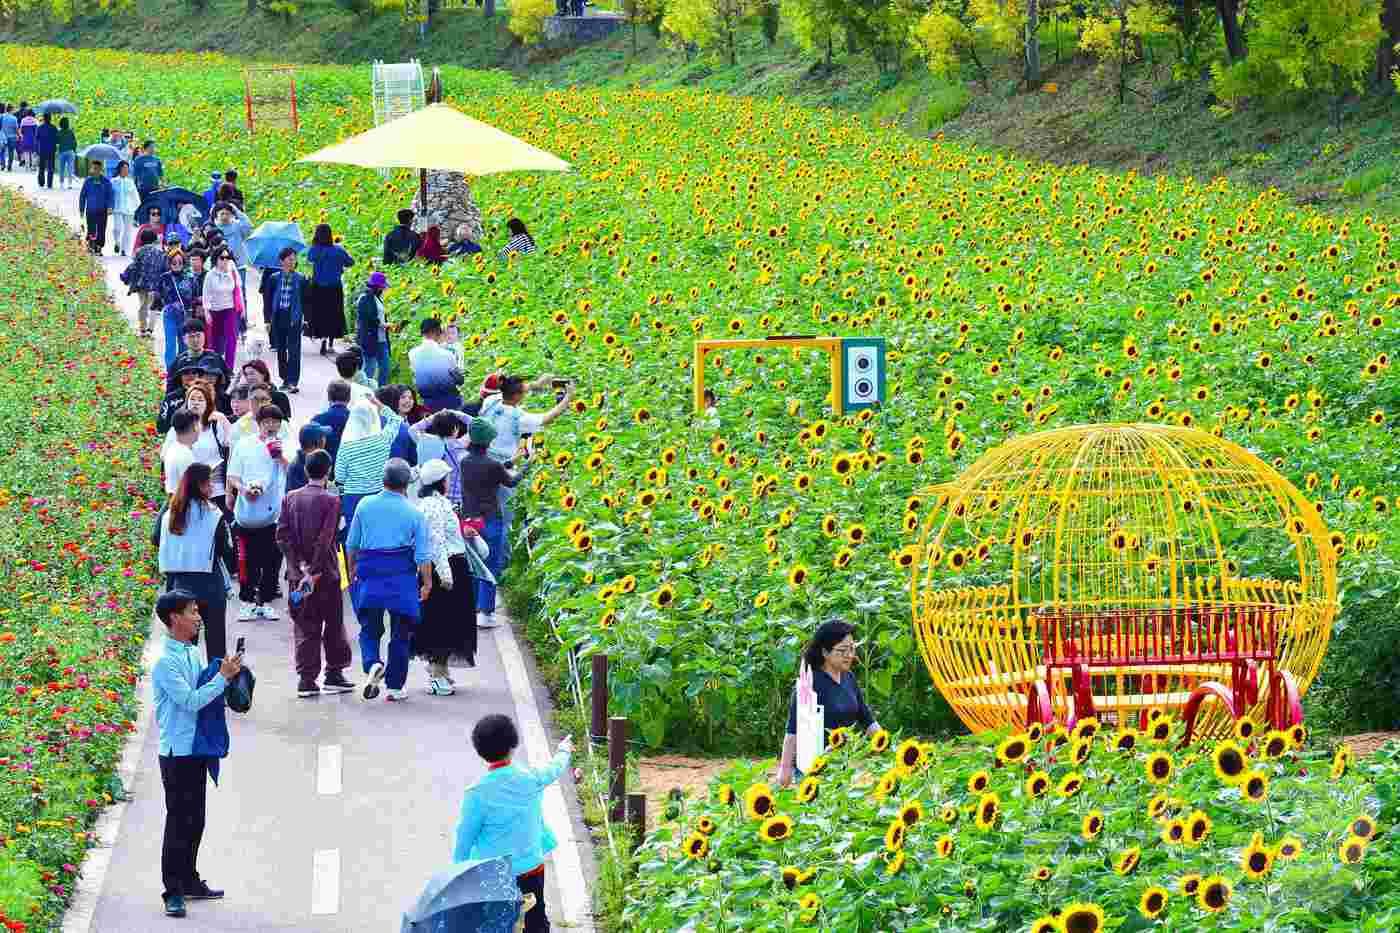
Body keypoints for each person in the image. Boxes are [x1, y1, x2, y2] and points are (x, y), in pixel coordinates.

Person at [151, 589, 241, 919]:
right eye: (192, 611)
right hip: (176, 753)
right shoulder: (165, 662)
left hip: (195, 749)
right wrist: (222, 678)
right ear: (174, 618)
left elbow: (205, 690)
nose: (198, 616)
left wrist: (225, 676)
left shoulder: (191, 652)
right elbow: (190, 701)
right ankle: (172, 890)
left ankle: (189, 879)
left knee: (196, 820)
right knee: (178, 822)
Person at [453, 714, 574, 933]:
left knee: (497, 922)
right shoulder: (531, 778)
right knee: (535, 917)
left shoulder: (477, 793)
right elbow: (555, 768)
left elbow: (464, 837)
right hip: (530, 867)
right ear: (513, 744)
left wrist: (458, 873)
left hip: (494, 873)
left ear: (479, 751)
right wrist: (564, 750)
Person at [345, 458, 433, 703]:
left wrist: (352, 570)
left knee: (369, 628)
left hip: (370, 573)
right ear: (406, 484)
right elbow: (423, 555)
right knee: (401, 633)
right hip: (402, 577)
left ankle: (372, 663)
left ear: (382, 480)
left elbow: (352, 544)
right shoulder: (414, 512)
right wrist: (427, 583)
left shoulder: (365, 505)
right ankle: (395, 687)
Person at [276, 449, 356, 699]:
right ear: (328, 471)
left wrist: (299, 565)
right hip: (327, 574)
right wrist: (314, 568)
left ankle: (307, 679)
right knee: (333, 624)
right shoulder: (331, 500)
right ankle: (334, 673)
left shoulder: (290, 497)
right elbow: (326, 539)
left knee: (305, 625)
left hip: (297, 576)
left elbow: (282, 535)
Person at [776, 620, 883, 787]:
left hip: (842, 765)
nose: (849, 655)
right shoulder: (810, 684)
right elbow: (792, 731)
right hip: (813, 767)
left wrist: (887, 745)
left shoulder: (849, 678)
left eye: (852, 649)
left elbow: (867, 719)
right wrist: (785, 770)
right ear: (825, 652)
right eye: (842, 650)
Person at [478, 375, 573, 558]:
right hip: (504, 470)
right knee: (507, 518)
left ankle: (482, 552)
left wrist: (537, 384)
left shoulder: (491, 401)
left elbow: (510, 390)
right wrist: (567, 399)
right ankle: (502, 561)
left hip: (481, 463)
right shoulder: (519, 418)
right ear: (517, 396)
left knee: (484, 513)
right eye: (523, 391)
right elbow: (548, 417)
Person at [414, 459, 486, 696]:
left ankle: (441, 671)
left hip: (448, 566)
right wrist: (446, 575)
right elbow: (436, 542)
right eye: (446, 478)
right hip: (447, 568)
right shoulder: (435, 505)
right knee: (443, 623)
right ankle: (437, 675)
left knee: (444, 621)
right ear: (438, 482)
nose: (449, 481)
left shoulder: (433, 503)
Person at [154, 464, 239, 662]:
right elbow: (226, 549)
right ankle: (216, 691)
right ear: (199, 486)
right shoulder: (212, 513)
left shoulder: (170, 511)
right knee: (216, 645)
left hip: (178, 585)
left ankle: (186, 688)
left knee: (184, 647)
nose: (211, 487)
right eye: (208, 483)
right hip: (210, 585)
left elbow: (155, 538)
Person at [458, 418, 529, 630]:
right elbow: (509, 480)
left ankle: (470, 607)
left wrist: (509, 463)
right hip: (490, 519)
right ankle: (486, 613)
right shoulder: (492, 465)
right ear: (489, 442)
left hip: (470, 520)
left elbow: (494, 470)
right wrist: (527, 466)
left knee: (473, 563)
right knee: (490, 565)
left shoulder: (465, 461)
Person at [227, 404, 290, 621]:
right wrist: (243, 490)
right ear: (259, 423)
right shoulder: (244, 445)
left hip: (275, 514)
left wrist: (280, 456)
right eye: (266, 422)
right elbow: (233, 475)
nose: (271, 426)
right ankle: (247, 601)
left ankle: (266, 600)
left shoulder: (285, 445)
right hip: (247, 513)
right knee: (247, 561)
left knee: (272, 560)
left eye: (275, 422)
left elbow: (294, 472)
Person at [335, 399, 403, 541]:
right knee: (376, 536)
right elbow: (396, 420)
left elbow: (340, 477)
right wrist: (378, 403)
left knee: (353, 539)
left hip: (353, 498)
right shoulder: (382, 440)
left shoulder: (346, 447)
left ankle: (353, 563)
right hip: (378, 494)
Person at [166, 382, 233, 517]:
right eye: (192, 399)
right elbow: (166, 453)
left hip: (216, 488)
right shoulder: (179, 426)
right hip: (188, 491)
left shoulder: (216, 424)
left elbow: (233, 444)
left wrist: (223, 419)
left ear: (208, 403)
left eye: (200, 400)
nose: (195, 403)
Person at [305, 223, 354, 356]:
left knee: (320, 314)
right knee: (334, 314)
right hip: (334, 288)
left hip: (318, 288)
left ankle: (322, 340)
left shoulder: (315, 250)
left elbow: (309, 258)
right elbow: (351, 262)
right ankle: (331, 343)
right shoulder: (338, 250)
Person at [263, 247, 307, 394]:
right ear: (282, 261)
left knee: (294, 349)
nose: (292, 261)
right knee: (281, 348)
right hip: (278, 316)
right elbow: (267, 300)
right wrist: (267, 320)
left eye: (294, 259)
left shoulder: (301, 279)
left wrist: (306, 319)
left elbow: (307, 301)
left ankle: (293, 381)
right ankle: (285, 379)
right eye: (289, 259)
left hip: (293, 316)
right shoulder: (274, 278)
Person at [409, 318, 466, 412]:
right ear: (436, 333)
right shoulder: (447, 354)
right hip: (450, 402)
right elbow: (460, 380)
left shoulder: (412, 354)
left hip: (428, 403)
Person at [168, 321, 231, 399]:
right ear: (184, 339)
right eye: (191, 336)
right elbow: (171, 388)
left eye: (198, 336)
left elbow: (225, 382)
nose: (195, 340)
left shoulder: (216, 358)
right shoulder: (178, 362)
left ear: (204, 336)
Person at [124, 229, 168, 340]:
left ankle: (142, 329)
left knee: (142, 305)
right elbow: (164, 268)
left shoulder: (139, 251)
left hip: (142, 283)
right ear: (154, 239)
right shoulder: (160, 253)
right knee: (153, 307)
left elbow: (135, 267)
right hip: (155, 283)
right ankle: (150, 329)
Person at [204, 250, 243, 371]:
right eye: (222, 258)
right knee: (215, 341)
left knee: (231, 339)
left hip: (230, 309)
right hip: (215, 310)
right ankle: (216, 367)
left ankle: (228, 368)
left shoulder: (233, 272)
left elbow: (238, 290)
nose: (225, 260)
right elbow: (206, 294)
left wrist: (242, 309)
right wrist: (207, 312)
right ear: (216, 259)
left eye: (228, 257)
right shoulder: (210, 275)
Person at [158, 249, 196, 371]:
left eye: (180, 262)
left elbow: (194, 296)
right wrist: (169, 304)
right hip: (170, 314)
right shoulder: (164, 277)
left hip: (185, 315)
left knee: (184, 343)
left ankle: (183, 369)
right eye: (174, 263)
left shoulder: (190, 277)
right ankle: (171, 371)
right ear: (169, 263)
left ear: (184, 263)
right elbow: (159, 295)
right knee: (170, 344)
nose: (177, 265)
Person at [355, 271, 391, 386]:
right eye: (382, 287)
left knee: (385, 367)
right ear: (377, 287)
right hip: (370, 339)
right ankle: (364, 393)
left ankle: (382, 392)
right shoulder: (365, 298)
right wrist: (382, 324)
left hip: (382, 339)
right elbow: (366, 316)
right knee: (369, 369)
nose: (383, 289)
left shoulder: (377, 298)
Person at [212, 201, 254, 298]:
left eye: (227, 213)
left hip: (239, 266)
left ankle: (243, 313)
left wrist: (237, 211)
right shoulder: (214, 229)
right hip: (221, 267)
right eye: (222, 213)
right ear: (217, 215)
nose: (225, 216)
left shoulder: (237, 226)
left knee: (240, 292)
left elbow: (249, 227)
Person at [375, 385, 419, 466]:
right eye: (403, 397)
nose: (407, 401)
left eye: (410, 398)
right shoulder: (386, 423)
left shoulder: (411, 424)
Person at [310, 379, 353, 462]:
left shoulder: (317, 420)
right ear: (349, 398)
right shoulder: (354, 419)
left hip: (324, 467)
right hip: (349, 466)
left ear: (329, 397)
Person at [78, 159, 114, 255]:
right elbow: (82, 196)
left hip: (102, 210)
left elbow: (110, 195)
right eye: (93, 168)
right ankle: (91, 245)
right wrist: (81, 209)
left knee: (102, 229)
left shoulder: (106, 182)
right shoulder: (88, 181)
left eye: (96, 168)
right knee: (91, 228)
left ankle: (99, 247)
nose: (94, 170)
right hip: (90, 210)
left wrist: (110, 207)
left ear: (100, 169)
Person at [286, 423, 331, 494]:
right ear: (319, 442)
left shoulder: (316, 459)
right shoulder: (298, 467)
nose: (325, 439)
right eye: (323, 436)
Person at [164, 411, 200, 495]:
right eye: (198, 425)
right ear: (194, 427)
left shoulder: (173, 449)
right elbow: (191, 489)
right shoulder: (185, 455)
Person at [35, 112, 57, 189]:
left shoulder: (40, 128)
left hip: (42, 149)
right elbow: (57, 139)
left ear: (44, 119)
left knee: (41, 167)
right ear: (50, 119)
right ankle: (49, 184)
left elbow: (37, 138)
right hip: (51, 149)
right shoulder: (54, 128)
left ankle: (41, 182)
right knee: (51, 167)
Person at [55, 116, 77, 189]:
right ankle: (70, 184)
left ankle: (61, 183)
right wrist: (74, 150)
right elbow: (74, 142)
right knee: (70, 168)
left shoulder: (59, 132)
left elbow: (57, 142)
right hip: (70, 151)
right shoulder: (71, 132)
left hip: (62, 151)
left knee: (61, 168)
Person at [0, 105, 17, 172]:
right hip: (12, 137)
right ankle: (9, 166)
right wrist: (19, 135)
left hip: (3, 137)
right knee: (11, 152)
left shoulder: (1, 117)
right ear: (11, 110)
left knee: (2, 151)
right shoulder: (14, 118)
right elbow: (16, 128)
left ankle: (3, 165)